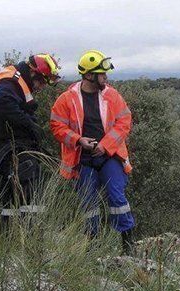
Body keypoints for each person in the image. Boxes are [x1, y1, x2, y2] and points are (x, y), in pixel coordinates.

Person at [50, 50, 135, 254]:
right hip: (82, 159)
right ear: (89, 76)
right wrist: (79, 140)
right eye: (101, 73)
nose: (105, 77)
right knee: (88, 204)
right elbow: (57, 126)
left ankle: (128, 246)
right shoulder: (66, 99)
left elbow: (124, 122)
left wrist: (104, 146)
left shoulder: (112, 96)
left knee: (117, 197)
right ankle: (93, 246)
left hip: (110, 157)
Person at [0, 53, 60, 228]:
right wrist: (30, 125)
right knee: (31, 189)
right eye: (42, 81)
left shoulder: (13, 79)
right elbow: (2, 104)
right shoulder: (11, 81)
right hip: (7, 147)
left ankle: (7, 244)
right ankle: (32, 242)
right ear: (33, 74)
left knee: (7, 198)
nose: (42, 87)